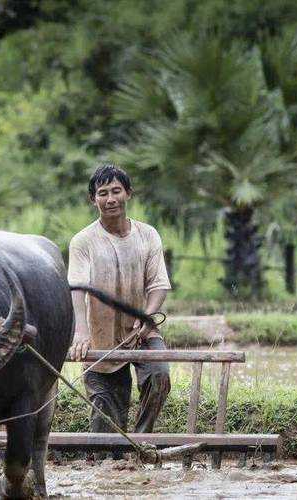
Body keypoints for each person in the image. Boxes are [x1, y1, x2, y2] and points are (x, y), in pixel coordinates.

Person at [67, 163, 172, 439]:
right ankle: (110, 459)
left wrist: (146, 317)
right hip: (101, 337)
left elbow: (159, 285)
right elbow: (76, 288)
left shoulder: (147, 235)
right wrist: (81, 332)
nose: (110, 198)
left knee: (159, 376)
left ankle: (140, 440)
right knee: (105, 421)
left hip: (142, 330)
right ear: (93, 200)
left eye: (116, 191)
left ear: (128, 194)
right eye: (103, 193)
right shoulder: (83, 241)